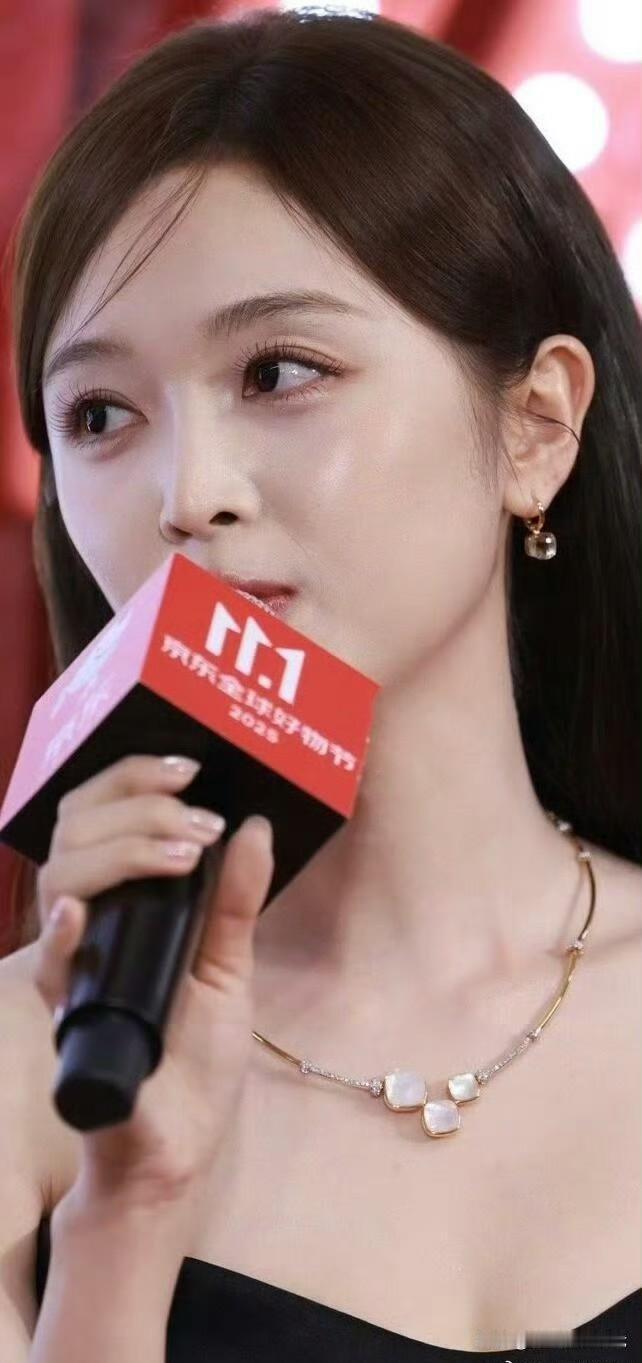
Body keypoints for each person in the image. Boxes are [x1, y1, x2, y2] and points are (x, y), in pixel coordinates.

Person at [1, 7, 640, 1359]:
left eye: (279, 372)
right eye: (100, 415)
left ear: (538, 424)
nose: (187, 496)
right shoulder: (26, 1065)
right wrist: (125, 1216)